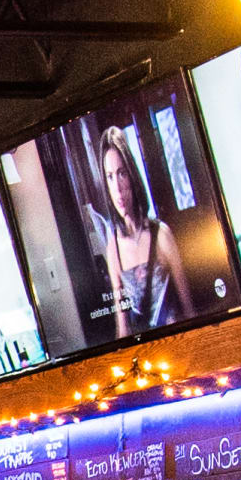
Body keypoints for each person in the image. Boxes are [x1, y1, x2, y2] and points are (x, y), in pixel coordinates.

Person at [86, 121, 187, 337]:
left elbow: (190, 311)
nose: (117, 188)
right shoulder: (113, 247)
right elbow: (122, 326)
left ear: (132, 176)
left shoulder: (162, 234)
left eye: (121, 173)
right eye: (110, 176)